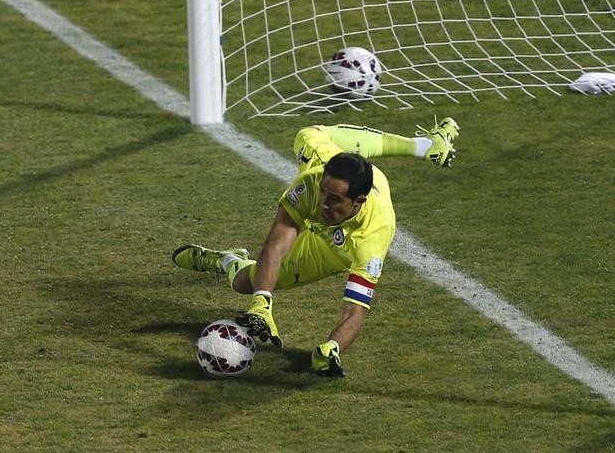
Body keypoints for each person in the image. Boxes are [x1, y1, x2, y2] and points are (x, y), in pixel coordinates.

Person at [172, 117, 460, 377]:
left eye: (333, 199)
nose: (322, 203)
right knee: (308, 133)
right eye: (323, 191)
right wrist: (262, 304)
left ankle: (228, 260)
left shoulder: (371, 238)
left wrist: (333, 347)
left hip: (335, 246)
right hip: (331, 181)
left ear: (357, 202)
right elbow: (275, 246)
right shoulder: (311, 183)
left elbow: (354, 312)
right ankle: (426, 146)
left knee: (244, 281)